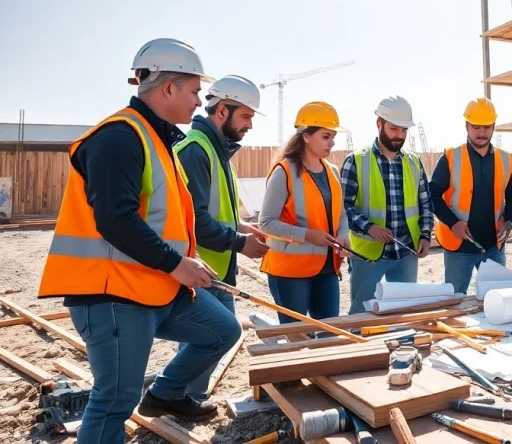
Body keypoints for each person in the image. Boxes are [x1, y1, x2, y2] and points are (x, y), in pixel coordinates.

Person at [37, 39, 242, 443]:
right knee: (115, 400)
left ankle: (167, 393)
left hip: (154, 286)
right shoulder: (119, 136)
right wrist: (177, 264)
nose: (198, 101)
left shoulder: (159, 141)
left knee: (223, 331)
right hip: (112, 295)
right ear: (168, 88)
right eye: (194, 91)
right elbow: (115, 219)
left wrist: (182, 262)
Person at [174, 75, 269, 399]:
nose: (250, 125)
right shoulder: (196, 150)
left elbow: (216, 214)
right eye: (246, 116)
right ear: (222, 110)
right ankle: (179, 399)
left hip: (217, 272)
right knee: (205, 342)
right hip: (200, 271)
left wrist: (243, 228)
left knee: (212, 342)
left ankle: (187, 399)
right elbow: (195, 221)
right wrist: (241, 243)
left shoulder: (217, 152)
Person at [259, 102, 350, 323]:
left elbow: (340, 213)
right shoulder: (284, 172)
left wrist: (343, 235)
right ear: (306, 136)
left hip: (328, 269)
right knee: (296, 335)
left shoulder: (333, 171)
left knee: (330, 334)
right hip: (290, 273)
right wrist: (307, 235)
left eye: (333, 136)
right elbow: (266, 223)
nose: (332, 142)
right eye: (326, 136)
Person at [341, 96, 433, 314]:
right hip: (368, 255)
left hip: (406, 252)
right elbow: (343, 209)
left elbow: (426, 203)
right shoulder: (356, 161)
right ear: (379, 123)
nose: (399, 135)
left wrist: (425, 235)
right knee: (362, 315)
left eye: (404, 130)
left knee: (402, 314)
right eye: (394, 129)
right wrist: (369, 227)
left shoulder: (414, 162)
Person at [430, 98, 512, 295]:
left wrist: (509, 222)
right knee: (454, 300)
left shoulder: (506, 159)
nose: (481, 133)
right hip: (459, 247)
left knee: (497, 300)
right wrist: (453, 223)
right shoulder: (451, 157)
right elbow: (433, 195)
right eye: (476, 127)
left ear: (494, 126)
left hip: (494, 247)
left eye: (487, 127)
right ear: (466, 126)